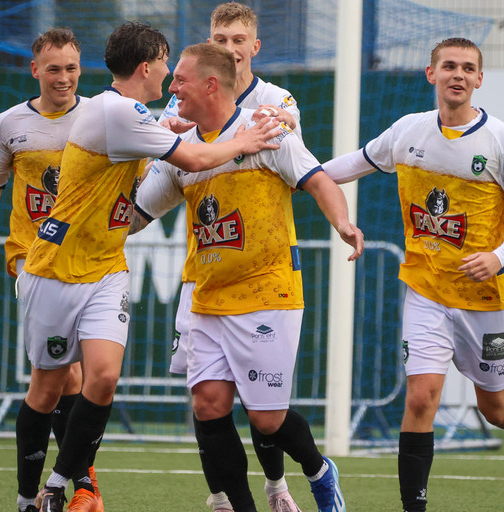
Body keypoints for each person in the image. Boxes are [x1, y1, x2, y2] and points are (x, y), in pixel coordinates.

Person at [18, 21, 280, 512]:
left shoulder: (128, 112)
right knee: (48, 387)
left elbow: (147, 137)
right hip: (55, 265)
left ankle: (60, 485)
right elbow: (196, 159)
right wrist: (243, 140)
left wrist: (166, 129)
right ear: (146, 67)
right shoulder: (117, 110)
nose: (169, 74)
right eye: (165, 64)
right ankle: (24, 497)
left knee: (102, 378)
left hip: (106, 268)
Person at [321, 37, 504, 511]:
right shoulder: (408, 131)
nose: (458, 75)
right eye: (449, 66)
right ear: (431, 74)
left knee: (495, 409)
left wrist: (499, 255)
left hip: (486, 301)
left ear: (479, 79)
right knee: (420, 398)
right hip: (426, 291)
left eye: (468, 68)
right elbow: (350, 165)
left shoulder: (502, 139)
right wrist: (297, 175)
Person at [131, 42, 363, 512]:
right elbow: (135, 216)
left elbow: (318, 180)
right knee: (208, 405)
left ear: (210, 85)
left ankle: (319, 471)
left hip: (266, 294)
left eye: (180, 80)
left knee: (267, 419)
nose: (172, 90)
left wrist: (343, 223)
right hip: (207, 299)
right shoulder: (182, 151)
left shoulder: (265, 130)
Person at [0, 28, 105, 512]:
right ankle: (78, 488)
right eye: (53, 68)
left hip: (88, 260)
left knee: (70, 378)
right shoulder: (10, 124)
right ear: (35, 69)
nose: (63, 77)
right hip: (33, 261)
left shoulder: (100, 116)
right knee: (63, 375)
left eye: (71, 68)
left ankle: (70, 489)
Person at [156, 3, 304, 510]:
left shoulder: (274, 101)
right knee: (207, 398)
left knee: (260, 401)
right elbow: (165, 158)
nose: (229, 47)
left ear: (254, 47)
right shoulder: (183, 99)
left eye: (239, 39)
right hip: (203, 273)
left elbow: (295, 152)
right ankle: (222, 496)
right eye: (220, 38)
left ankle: (278, 484)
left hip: (261, 270)